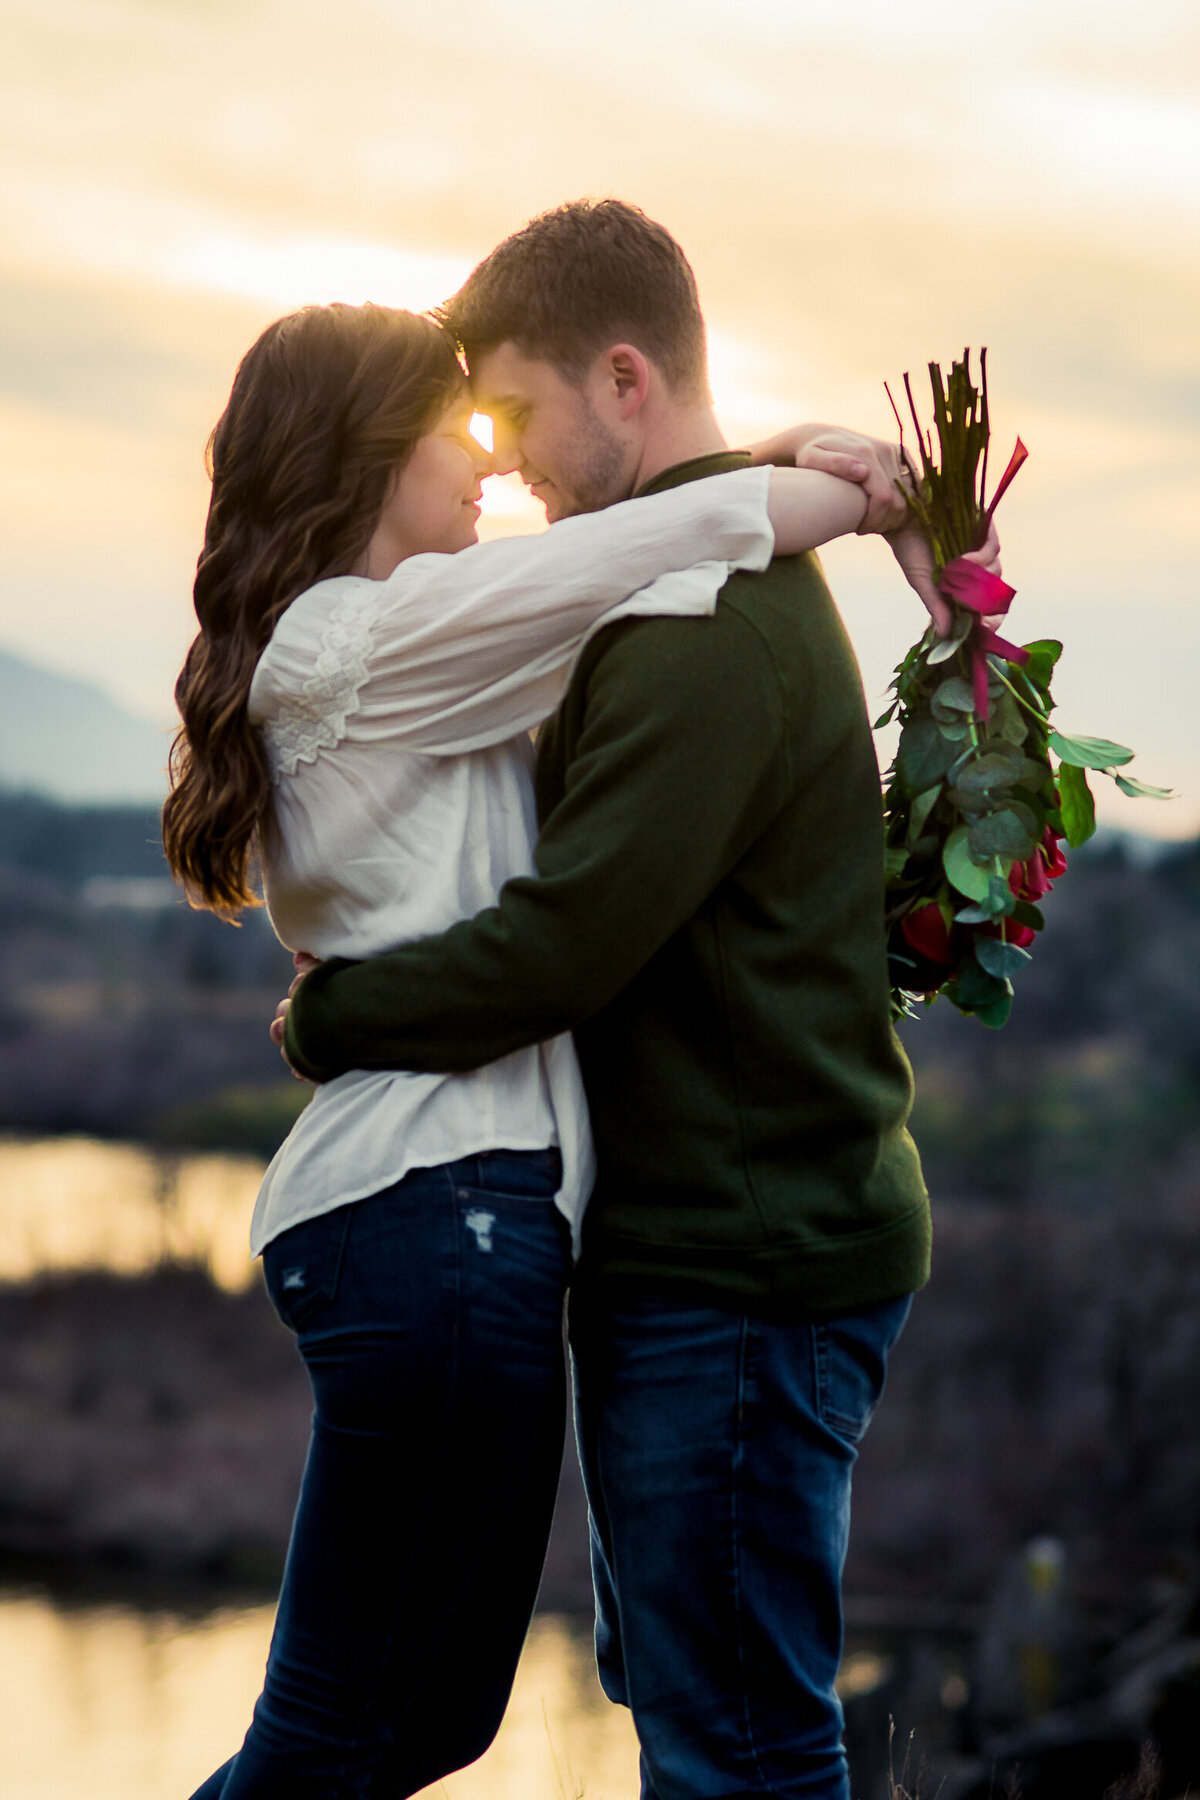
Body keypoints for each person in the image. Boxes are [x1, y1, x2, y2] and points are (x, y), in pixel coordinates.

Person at [166, 296, 936, 1799]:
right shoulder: (354, 636)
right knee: (337, 1736)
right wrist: (848, 496)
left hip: (465, 1225)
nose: (489, 469)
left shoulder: (431, 653)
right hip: (432, 1216)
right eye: (456, 435)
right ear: (364, 457)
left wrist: (770, 451)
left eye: (500, 424)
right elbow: (635, 555)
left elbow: (624, 556)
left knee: (426, 1724)